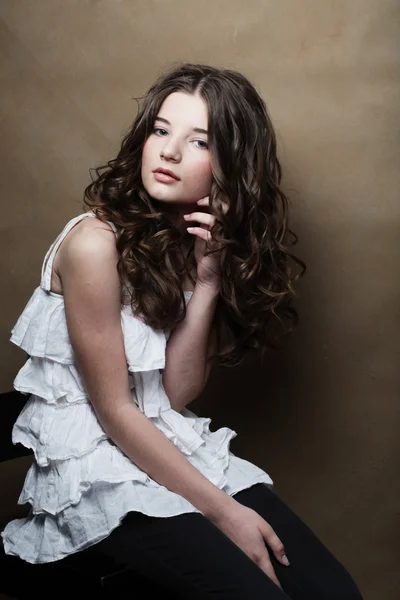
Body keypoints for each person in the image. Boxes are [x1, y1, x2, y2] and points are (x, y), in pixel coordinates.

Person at [2, 63, 363, 599]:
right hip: (98, 469)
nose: (169, 152)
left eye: (199, 141)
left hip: (160, 444)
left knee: (335, 593)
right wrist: (225, 514)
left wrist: (209, 277)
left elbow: (172, 394)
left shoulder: (184, 241)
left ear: (230, 167)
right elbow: (116, 412)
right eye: (161, 130)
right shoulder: (93, 245)